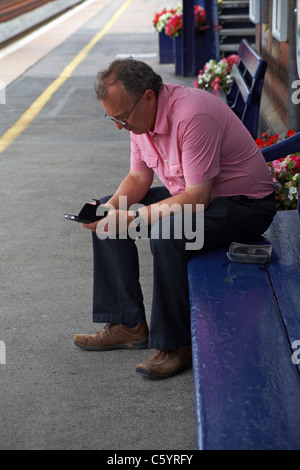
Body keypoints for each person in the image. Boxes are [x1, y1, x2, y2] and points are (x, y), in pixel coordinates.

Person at [73, 58, 276, 379]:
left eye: (121, 118)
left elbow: (197, 198)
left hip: (245, 204)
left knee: (169, 232)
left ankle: (176, 345)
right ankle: (128, 324)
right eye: (112, 118)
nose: (118, 126)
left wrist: (133, 218)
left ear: (149, 96)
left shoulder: (193, 115)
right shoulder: (139, 117)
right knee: (106, 216)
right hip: (191, 193)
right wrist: (111, 209)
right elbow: (138, 179)